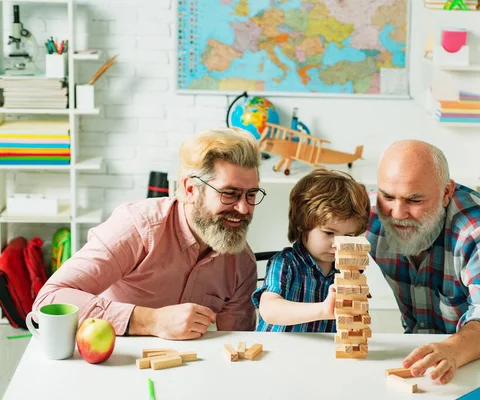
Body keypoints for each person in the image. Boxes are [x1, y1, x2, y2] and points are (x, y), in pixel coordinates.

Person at [33, 128, 265, 340]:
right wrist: (151, 321)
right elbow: (48, 300)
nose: (244, 209)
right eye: (230, 194)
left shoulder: (242, 262)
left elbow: (238, 343)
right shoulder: (136, 226)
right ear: (191, 189)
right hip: (115, 360)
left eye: (251, 195)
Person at [366, 140, 480, 384]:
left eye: (414, 200)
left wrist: (453, 350)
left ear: (446, 193)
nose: (397, 213)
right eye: (387, 196)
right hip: (425, 360)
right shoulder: (370, 213)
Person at [252, 169, 370, 332]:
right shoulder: (286, 263)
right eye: (329, 233)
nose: (338, 244)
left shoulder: (347, 267)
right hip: (279, 351)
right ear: (301, 224)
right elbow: (269, 309)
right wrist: (323, 309)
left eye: (349, 236)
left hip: (323, 352)